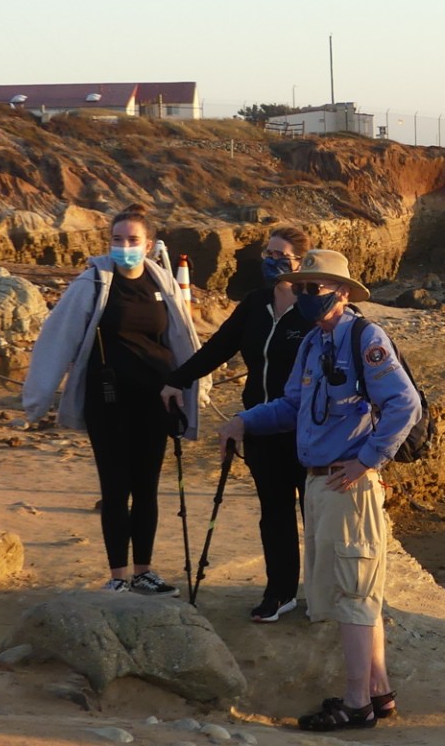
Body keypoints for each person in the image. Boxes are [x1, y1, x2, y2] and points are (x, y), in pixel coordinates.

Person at [218, 249, 420, 731]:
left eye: (316, 288)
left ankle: (356, 704)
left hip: (347, 484)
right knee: (353, 593)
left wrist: (366, 460)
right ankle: (377, 691)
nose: (307, 295)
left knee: (354, 593)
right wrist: (243, 420)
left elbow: (403, 403)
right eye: (303, 288)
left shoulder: (365, 337)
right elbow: (291, 406)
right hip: (322, 484)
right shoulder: (313, 343)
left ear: (342, 292)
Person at [23, 205, 205, 596]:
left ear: (150, 245)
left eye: (133, 240)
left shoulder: (162, 282)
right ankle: (118, 575)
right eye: (117, 240)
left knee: (147, 488)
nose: (125, 247)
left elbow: (183, 338)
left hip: (157, 402)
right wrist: (37, 400)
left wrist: (194, 388)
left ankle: (144, 571)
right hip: (108, 402)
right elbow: (57, 339)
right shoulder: (92, 283)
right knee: (115, 488)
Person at [160, 227, 316, 623]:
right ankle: (279, 593)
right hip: (260, 426)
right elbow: (218, 347)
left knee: (317, 515)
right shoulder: (256, 302)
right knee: (275, 512)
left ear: (301, 263)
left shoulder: (315, 307)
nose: (272, 259)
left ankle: (323, 593)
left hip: (307, 429)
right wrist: (178, 379)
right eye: (268, 252)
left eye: (281, 254)